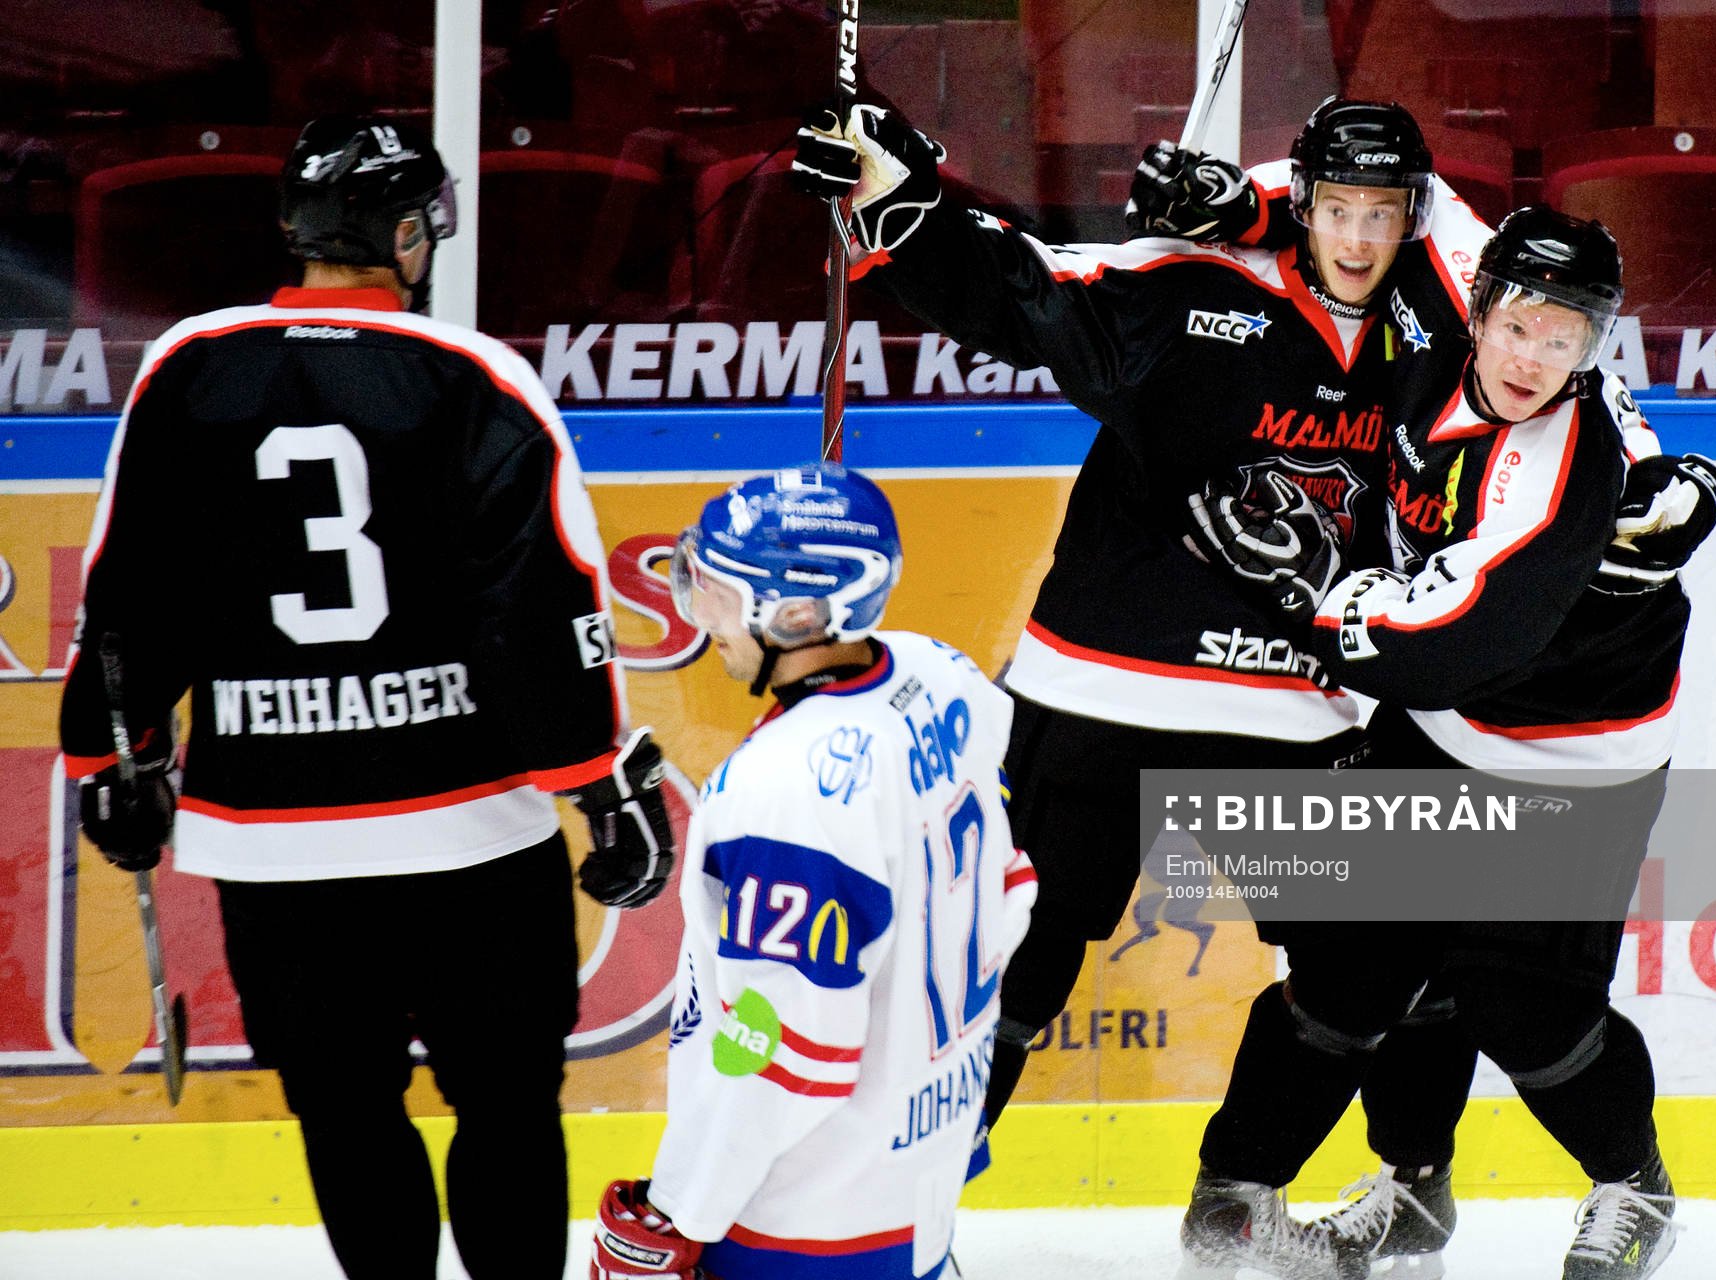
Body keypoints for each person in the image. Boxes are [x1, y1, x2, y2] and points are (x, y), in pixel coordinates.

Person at [791, 98, 1491, 1189]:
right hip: (1104, 684)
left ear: (1413, 215)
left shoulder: (1446, 327)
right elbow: (1027, 296)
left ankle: (1286, 1192)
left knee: (1391, 958)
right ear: (1303, 202)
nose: (1358, 239)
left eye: (1384, 213)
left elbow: (1538, 339)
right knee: (1011, 957)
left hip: (1291, 705)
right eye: (1337, 208)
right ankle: (902, 1203)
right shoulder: (1195, 281)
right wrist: (902, 201)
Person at [58, 115, 676, 1280]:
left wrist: (111, 756)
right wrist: (601, 787)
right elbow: (542, 606)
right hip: (471, 834)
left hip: (275, 845)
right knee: (506, 1107)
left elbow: (129, 592)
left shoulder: (187, 367)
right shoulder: (473, 375)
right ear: (405, 234)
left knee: (343, 1112)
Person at [1182, 208, 1716, 1280]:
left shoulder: (1554, 465)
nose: (1533, 357)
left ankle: (1635, 1187)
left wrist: (1297, 589)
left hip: (1570, 757)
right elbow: (1401, 201)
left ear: (1594, 348)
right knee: (1349, 961)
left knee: (1519, 1002)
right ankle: (1375, 1190)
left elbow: (1440, 644)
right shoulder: (1433, 347)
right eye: (1520, 324)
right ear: (1476, 307)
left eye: (1564, 338)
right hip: (1443, 726)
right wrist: (1239, 210)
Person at [585, 463, 1038, 1280]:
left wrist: (684, 1205)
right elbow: (1011, 883)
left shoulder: (786, 789)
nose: (699, 617)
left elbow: (784, 1053)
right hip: (920, 1160)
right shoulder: (939, 671)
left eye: (719, 593)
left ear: (796, 612)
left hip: (809, 1214)